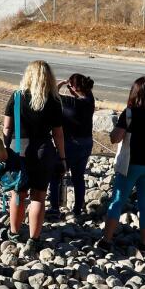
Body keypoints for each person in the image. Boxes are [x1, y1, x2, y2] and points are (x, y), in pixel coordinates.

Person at [1, 60, 67, 252]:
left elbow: (7, 127)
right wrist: (62, 158)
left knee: (18, 195)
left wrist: (5, 149)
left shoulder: (16, 96)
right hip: (43, 151)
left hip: (18, 149)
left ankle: (14, 233)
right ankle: (34, 239)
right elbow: (58, 134)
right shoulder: (53, 100)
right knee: (39, 195)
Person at [98, 77, 145, 252]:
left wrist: (116, 130)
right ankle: (144, 243)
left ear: (134, 92)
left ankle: (106, 240)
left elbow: (115, 138)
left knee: (118, 201)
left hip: (131, 164)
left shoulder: (129, 113)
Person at [54, 73, 95, 220]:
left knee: (58, 174)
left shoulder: (72, 103)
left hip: (71, 143)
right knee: (78, 177)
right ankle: (77, 209)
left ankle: (55, 206)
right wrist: (73, 85)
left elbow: (52, 93)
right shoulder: (90, 100)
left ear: (74, 88)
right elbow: (85, 90)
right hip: (87, 142)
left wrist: (62, 83)